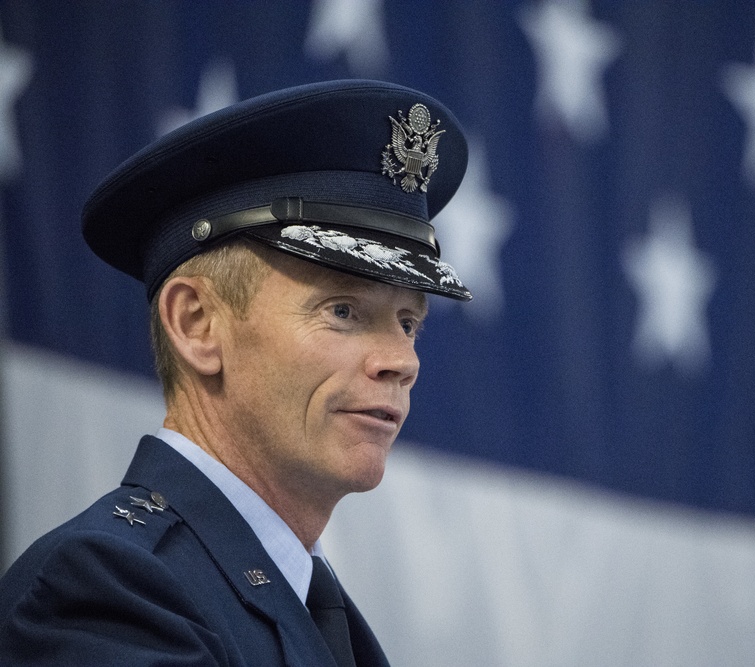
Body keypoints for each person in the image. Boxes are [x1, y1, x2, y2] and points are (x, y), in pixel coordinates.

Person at [0, 79, 472, 666]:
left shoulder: (306, 607)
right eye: (344, 311)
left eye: (408, 323)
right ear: (196, 324)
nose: (401, 362)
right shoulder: (109, 593)